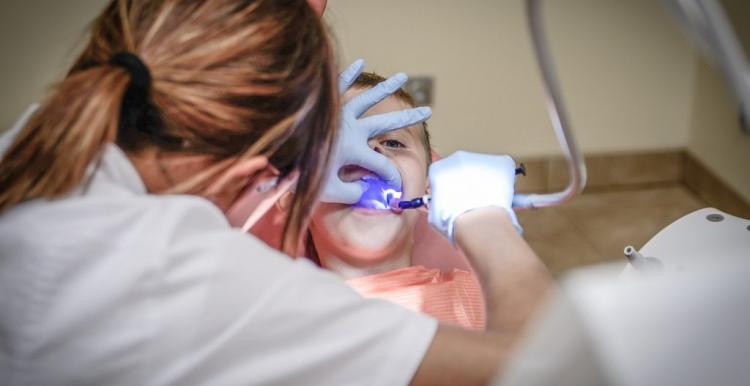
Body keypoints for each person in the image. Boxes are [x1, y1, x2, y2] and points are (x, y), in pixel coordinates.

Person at [0, 1, 553, 385]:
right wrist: (484, 216)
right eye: (325, 145)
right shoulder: (232, 289)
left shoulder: (36, 150)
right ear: (280, 177)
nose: (370, 163)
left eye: (391, 143)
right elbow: (546, 371)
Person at [307, 72, 486, 330]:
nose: (371, 155)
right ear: (293, 191)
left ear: (429, 187)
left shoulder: (475, 298)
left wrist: (490, 226)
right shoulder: (271, 315)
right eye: (338, 143)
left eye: (393, 142)